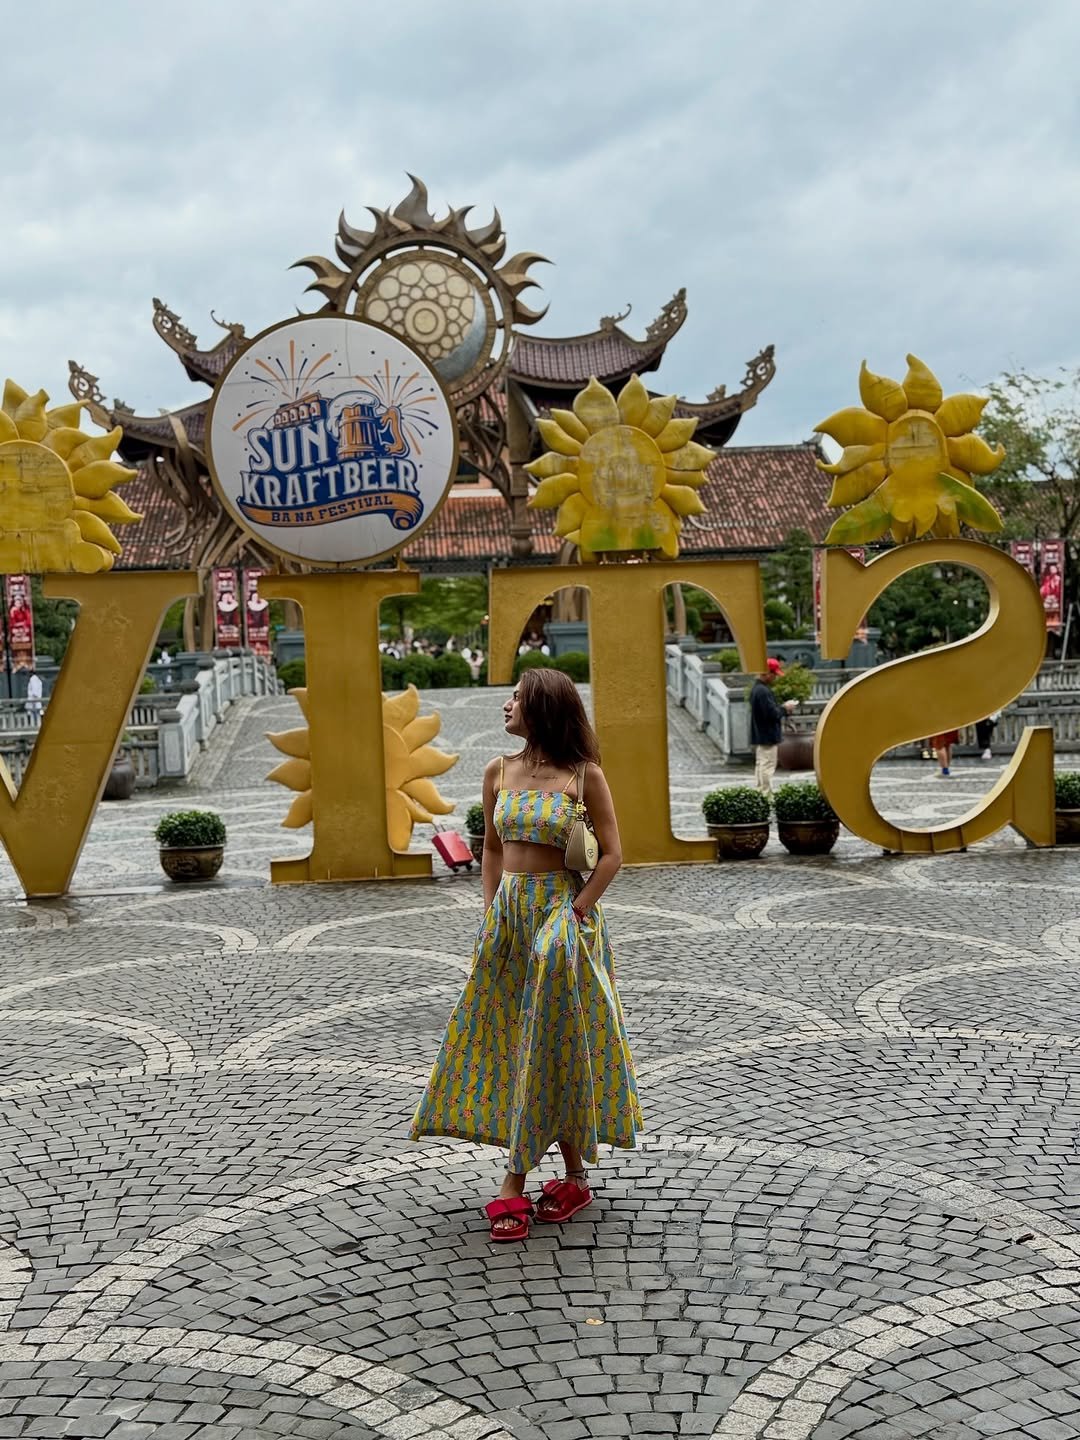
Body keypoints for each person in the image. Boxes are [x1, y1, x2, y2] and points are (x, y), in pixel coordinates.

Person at [410, 667, 641, 1242]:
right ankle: (574, 1176)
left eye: (515, 697)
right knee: (518, 1038)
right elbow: (491, 849)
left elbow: (611, 855)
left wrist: (578, 912)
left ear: (541, 707)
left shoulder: (584, 777)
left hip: (562, 923)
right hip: (509, 921)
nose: (506, 705)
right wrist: (492, 913)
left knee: (551, 1038)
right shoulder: (498, 771)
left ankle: (514, 1183)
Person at [750, 658, 796, 793]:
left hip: (761, 733)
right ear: (766, 673)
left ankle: (760, 791)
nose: (775, 677)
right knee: (767, 765)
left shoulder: (757, 689)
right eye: (774, 674)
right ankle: (765, 793)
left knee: (761, 763)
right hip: (767, 734)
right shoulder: (763, 691)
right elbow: (772, 714)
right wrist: (785, 708)